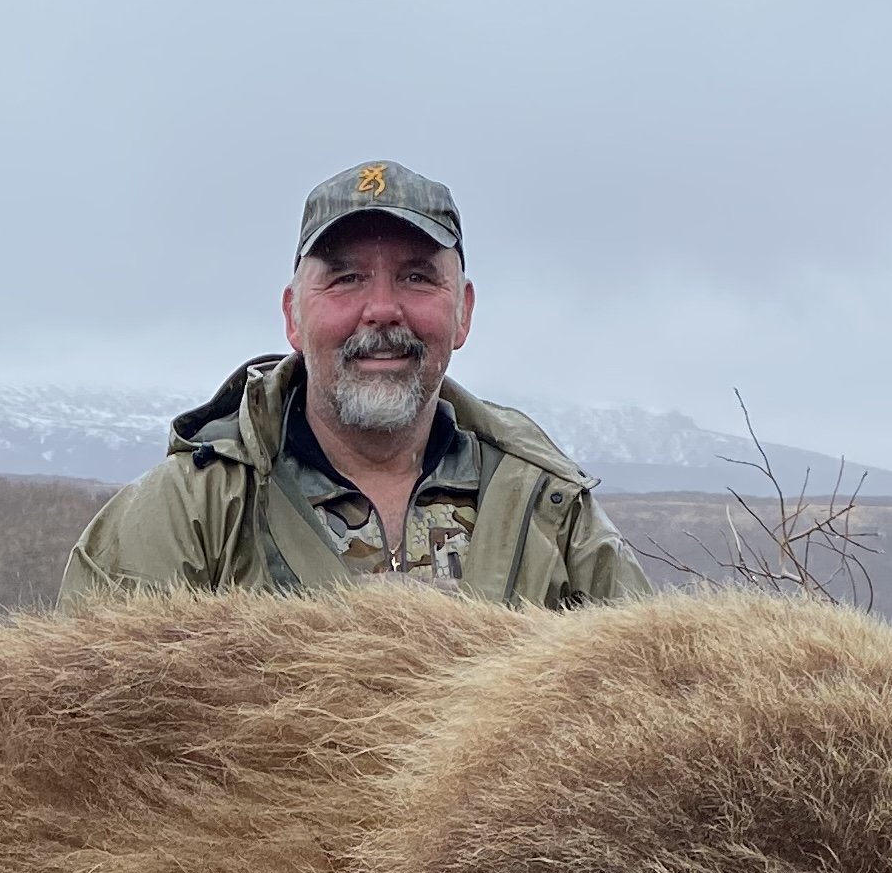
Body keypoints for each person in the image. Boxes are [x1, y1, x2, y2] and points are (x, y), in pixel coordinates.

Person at [64, 161, 646, 610]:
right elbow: (85, 737)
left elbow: (650, 711)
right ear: (293, 316)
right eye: (346, 279)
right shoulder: (189, 512)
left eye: (417, 277)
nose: (382, 310)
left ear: (463, 313)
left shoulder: (552, 509)